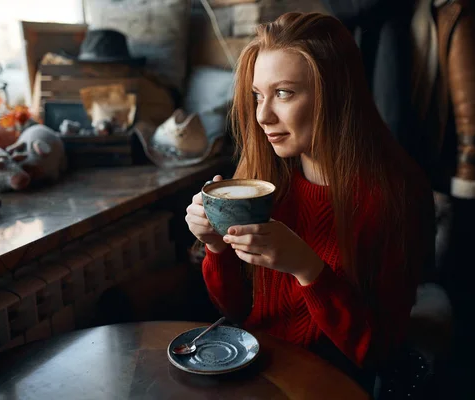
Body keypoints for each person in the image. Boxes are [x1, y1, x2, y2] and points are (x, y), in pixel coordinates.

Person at [185, 11, 434, 387]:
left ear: (335, 94)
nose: (263, 115)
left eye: (283, 93)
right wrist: (215, 246)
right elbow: (236, 311)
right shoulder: (266, 179)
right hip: (253, 374)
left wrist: (307, 269)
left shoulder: (396, 195)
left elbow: (379, 352)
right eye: (257, 96)